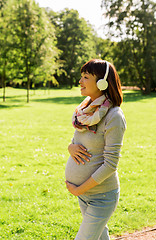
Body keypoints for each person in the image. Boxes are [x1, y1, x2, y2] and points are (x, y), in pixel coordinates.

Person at [65, 59, 126, 240]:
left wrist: (79, 189)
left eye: (85, 77)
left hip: (102, 197)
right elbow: (76, 141)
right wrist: (70, 147)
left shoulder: (114, 116)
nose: (80, 81)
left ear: (102, 83)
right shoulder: (85, 110)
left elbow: (110, 165)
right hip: (85, 195)